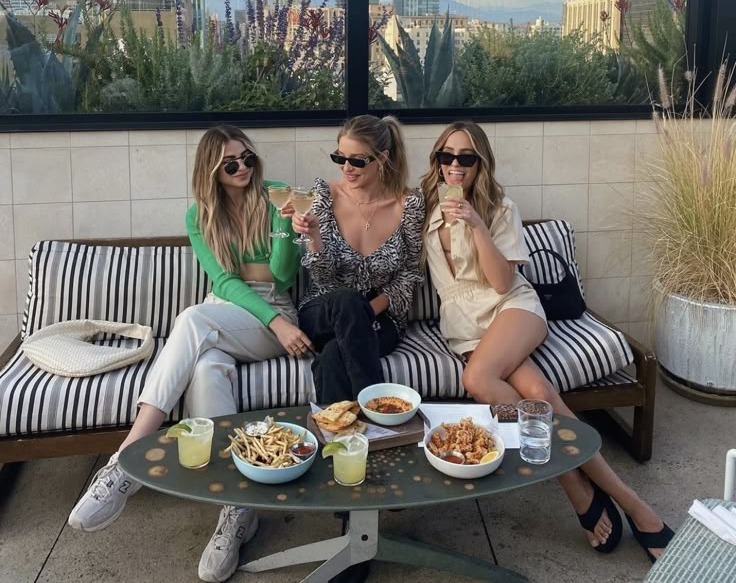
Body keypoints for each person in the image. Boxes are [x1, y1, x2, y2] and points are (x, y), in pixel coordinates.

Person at [420, 120, 674, 563]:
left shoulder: (500, 208)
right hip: (464, 325)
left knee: (479, 378)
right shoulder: (422, 206)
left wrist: (477, 224)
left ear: (481, 163)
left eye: (466, 158)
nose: (455, 166)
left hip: (512, 308)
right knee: (538, 392)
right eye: (446, 156)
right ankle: (603, 492)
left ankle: (602, 494)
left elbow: (502, 283)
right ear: (436, 160)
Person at [68, 124, 311, 583]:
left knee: (192, 320)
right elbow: (222, 284)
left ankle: (126, 460)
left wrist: (285, 231)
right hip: (225, 316)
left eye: (248, 158)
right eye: (231, 164)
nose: (243, 168)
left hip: (271, 314)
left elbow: (280, 276)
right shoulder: (198, 216)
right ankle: (237, 511)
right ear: (212, 173)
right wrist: (251, 300)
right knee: (205, 366)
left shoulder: (278, 194)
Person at [291, 114, 425, 403]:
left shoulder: (409, 204)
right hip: (322, 310)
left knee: (333, 355)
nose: (347, 168)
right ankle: (378, 411)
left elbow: (410, 273)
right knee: (348, 300)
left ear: (383, 158)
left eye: (358, 161)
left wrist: (366, 313)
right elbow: (324, 279)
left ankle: (336, 435)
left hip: (381, 319)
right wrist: (314, 237)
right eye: (340, 158)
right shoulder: (325, 194)